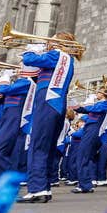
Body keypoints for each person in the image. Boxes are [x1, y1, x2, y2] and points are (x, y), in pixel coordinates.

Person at [19, 33, 78, 204]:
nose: (48, 42)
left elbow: (30, 60)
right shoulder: (66, 59)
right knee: (46, 148)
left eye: (52, 39)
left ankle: (36, 189)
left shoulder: (57, 55)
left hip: (48, 102)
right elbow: (37, 75)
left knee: (37, 146)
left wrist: (31, 49)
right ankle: (43, 187)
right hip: (56, 104)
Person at [70, 89, 107, 194]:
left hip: (93, 131)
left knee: (82, 157)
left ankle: (85, 185)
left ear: (104, 94)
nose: (96, 93)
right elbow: (84, 113)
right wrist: (72, 100)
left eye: (99, 91)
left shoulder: (105, 104)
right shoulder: (101, 104)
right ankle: (85, 184)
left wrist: (85, 104)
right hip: (90, 130)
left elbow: (89, 109)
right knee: (84, 158)